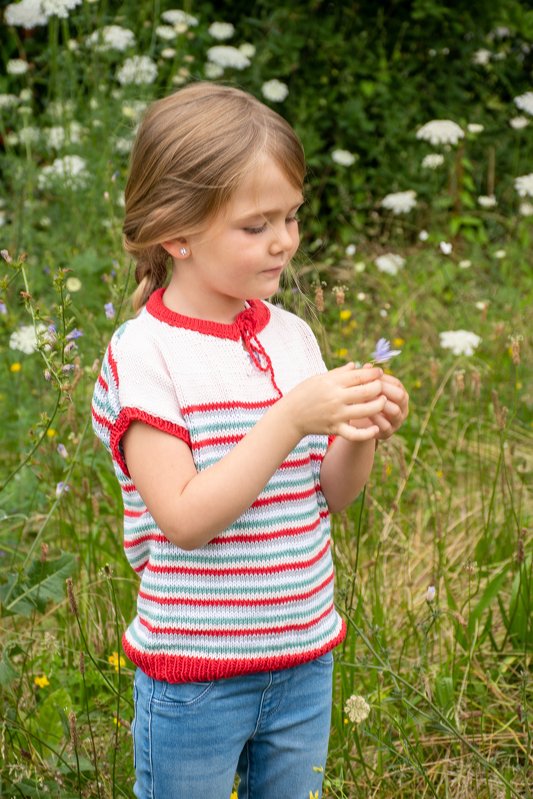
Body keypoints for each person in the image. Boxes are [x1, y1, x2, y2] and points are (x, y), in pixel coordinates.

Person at [92, 82, 408, 799]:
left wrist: (357, 432)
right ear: (176, 233)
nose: (284, 241)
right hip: (197, 673)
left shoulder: (290, 334)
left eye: (291, 217)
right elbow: (184, 517)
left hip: (303, 656)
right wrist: (293, 416)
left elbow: (332, 494)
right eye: (255, 224)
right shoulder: (145, 353)